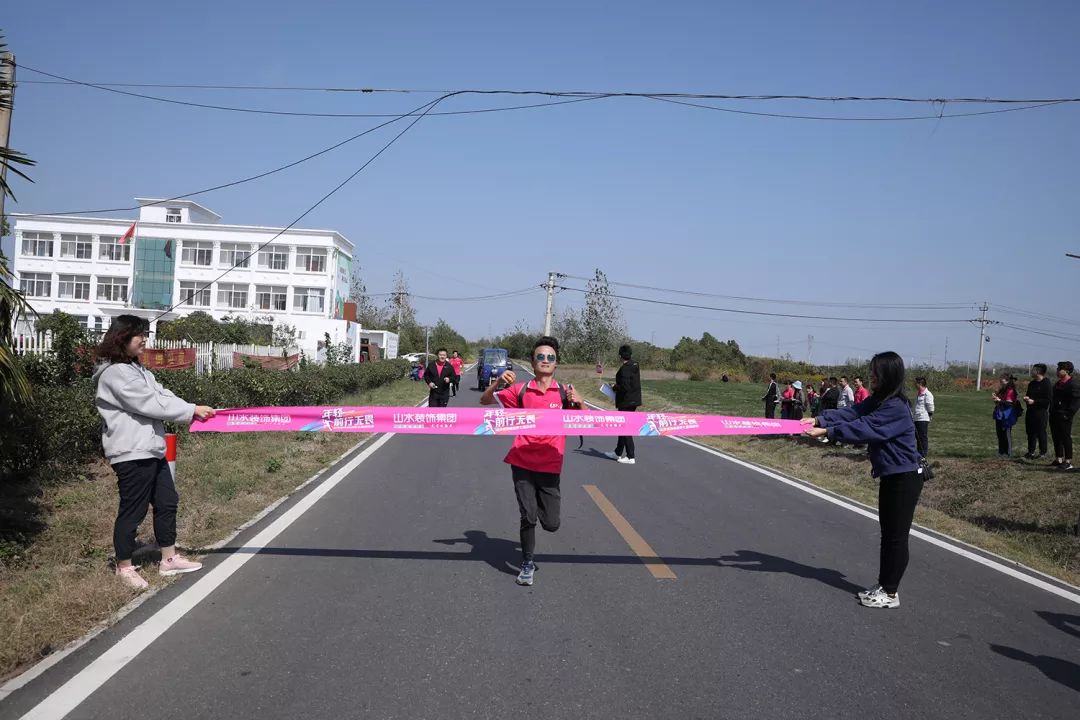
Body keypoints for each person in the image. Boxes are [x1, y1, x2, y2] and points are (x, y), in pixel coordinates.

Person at [92, 315, 216, 590]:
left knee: (167, 501)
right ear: (122, 338)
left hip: (151, 448)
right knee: (133, 510)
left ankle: (168, 559)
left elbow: (162, 395)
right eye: (140, 336)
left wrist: (192, 408)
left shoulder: (139, 370)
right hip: (131, 451)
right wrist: (190, 410)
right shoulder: (114, 374)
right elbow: (148, 403)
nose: (145, 340)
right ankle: (124, 566)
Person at [802, 351, 923, 609]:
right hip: (891, 475)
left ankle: (890, 593)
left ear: (888, 375)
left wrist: (828, 431)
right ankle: (884, 584)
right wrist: (819, 418)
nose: (871, 376)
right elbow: (853, 413)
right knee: (888, 534)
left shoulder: (896, 407)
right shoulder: (880, 400)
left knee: (896, 537)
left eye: (875, 372)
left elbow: (865, 427)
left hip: (904, 478)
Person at [481, 337, 583, 586]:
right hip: (522, 460)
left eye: (550, 357)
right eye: (541, 357)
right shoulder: (521, 389)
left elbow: (583, 422)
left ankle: (538, 506)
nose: (545, 361)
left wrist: (578, 401)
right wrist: (496, 383)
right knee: (528, 515)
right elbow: (484, 402)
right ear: (532, 361)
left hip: (550, 463)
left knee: (551, 524)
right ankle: (527, 563)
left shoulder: (564, 392)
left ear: (556, 363)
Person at [605, 344, 642, 465]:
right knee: (622, 426)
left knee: (626, 428)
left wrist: (614, 387)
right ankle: (617, 452)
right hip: (634, 400)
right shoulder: (635, 365)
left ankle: (631, 456)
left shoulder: (625, 368)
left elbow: (625, 386)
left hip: (626, 401)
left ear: (620, 355)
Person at [1049, 361, 1080, 471]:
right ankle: (1059, 459)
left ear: (1066, 371)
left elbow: (1075, 403)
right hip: (1054, 415)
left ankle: (1068, 461)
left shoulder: (1073, 385)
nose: (1057, 371)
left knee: (1065, 438)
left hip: (1065, 416)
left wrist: (1067, 415)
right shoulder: (1057, 384)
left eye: (1059, 369)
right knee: (1056, 437)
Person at [1023, 364, 1052, 460]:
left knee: (1041, 432)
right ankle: (1030, 452)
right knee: (1030, 432)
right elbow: (1028, 394)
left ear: (1038, 372)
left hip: (1041, 412)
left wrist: (1034, 402)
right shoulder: (1032, 383)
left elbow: (1048, 400)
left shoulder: (1046, 383)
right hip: (1030, 411)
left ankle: (1043, 453)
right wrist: (1027, 399)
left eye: (1033, 370)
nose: (1031, 371)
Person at [992, 374, 1022, 458]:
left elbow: (1010, 403)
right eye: (1000, 381)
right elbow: (1001, 401)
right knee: (1000, 434)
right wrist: (996, 399)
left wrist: (999, 400)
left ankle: (1008, 453)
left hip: (1007, 415)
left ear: (1007, 381)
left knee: (1006, 433)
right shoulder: (1003, 390)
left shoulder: (1011, 391)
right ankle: (1001, 452)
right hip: (1000, 414)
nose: (1001, 383)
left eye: (1002, 381)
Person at [912, 377, 935, 459]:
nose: (914, 384)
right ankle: (918, 452)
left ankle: (923, 454)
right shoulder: (918, 394)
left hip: (923, 418)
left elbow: (930, 406)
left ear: (920, 384)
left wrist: (930, 415)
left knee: (922, 437)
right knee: (917, 436)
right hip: (916, 418)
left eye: (915, 383)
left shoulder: (928, 394)